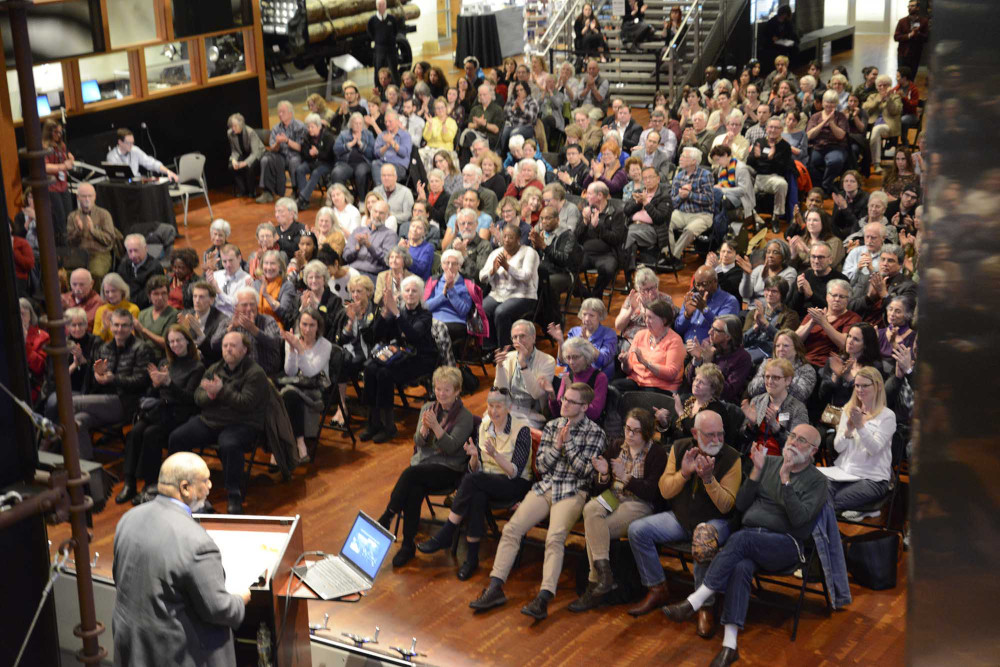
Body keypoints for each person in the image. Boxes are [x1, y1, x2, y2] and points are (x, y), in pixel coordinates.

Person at [662, 425, 827, 667]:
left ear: (813, 452)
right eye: (792, 436)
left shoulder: (818, 481)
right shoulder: (769, 463)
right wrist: (757, 471)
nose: (792, 442)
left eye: (801, 441)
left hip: (785, 545)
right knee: (740, 566)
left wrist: (786, 480)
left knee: (742, 539)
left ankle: (695, 601)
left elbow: (800, 521)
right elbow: (740, 504)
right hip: (751, 540)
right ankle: (730, 645)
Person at [469, 382, 607, 620]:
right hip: (547, 485)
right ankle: (495, 587)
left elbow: (585, 473)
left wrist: (569, 445)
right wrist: (556, 447)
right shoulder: (553, 426)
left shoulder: (596, 433)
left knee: (554, 538)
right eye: (564, 398)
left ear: (584, 406)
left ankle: (544, 597)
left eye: (571, 401)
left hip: (574, 491)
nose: (563, 403)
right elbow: (541, 466)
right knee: (512, 529)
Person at [112, 452, 248, 665]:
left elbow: (120, 578)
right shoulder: (197, 542)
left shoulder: (128, 519)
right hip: (175, 655)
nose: (211, 486)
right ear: (185, 488)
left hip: (133, 647)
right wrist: (241, 599)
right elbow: (219, 609)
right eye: (205, 480)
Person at [626, 410, 740, 633]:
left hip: (718, 522)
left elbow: (726, 505)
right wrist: (684, 474)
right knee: (638, 530)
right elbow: (665, 490)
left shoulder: (732, 457)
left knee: (702, 536)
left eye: (720, 435)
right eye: (710, 435)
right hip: (681, 518)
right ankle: (657, 588)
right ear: (695, 433)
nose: (716, 440)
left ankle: (704, 606)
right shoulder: (679, 448)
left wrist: (709, 480)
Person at [417, 386, 533, 579]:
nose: (493, 411)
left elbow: (515, 472)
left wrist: (495, 455)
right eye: (490, 405)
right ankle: (471, 559)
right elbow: (476, 468)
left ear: (509, 407)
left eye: (498, 406)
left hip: (515, 484)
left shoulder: (521, 429)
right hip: (485, 480)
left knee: (473, 481)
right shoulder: (485, 424)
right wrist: (473, 457)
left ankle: (448, 531)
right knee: (476, 493)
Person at [570, 407, 667, 612]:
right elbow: (600, 487)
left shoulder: (656, 453)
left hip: (639, 503)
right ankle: (605, 578)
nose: (629, 434)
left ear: (646, 432)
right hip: (614, 497)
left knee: (596, 528)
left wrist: (627, 478)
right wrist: (604, 475)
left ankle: (595, 582)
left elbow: (653, 493)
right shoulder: (616, 446)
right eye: (627, 428)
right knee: (591, 510)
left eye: (635, 431)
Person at [376, 366, 475, 566]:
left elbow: (451, 448)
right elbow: (418, 444)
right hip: (423, 467)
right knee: (414, 488)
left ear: (457, 391)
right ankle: (408, 546)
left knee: (411, 474)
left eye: (446, 390)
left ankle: (388, 516)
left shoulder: (465, 417)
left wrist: (436, 428)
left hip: (448, 468)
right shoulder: (428, 408)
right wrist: (422, 431)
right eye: (438, 389)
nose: (441, 393)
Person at [169, 331, 270, 514]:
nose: (228, 349)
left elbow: (245, 404)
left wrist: (222, 391)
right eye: (225, 346)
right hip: (212, 420)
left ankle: (234, 493)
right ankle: (181, 487)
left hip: (242, 423)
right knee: (177, 437)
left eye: (233, 345)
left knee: (229, 444)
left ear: (244, 349)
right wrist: (209, 394)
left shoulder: (255, 373)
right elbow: (198, 397)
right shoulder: (215, 368)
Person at [116, 325, 205, 505]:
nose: (175, 344)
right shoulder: (166, 362)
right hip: (161, 410)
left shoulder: (197, 367)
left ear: (188, 341)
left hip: (181, 413)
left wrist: (169, 382)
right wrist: (155, 386)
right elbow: (155, 392)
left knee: (151, 434)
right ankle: (129, 482)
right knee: (134, 433)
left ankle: (150, 486)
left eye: (178, 340)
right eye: (171, 341)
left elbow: (191, 398)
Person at [361, 275, 438, 442]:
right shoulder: (399, 312)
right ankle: (373, 422)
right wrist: (384, 312)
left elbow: (414, 335)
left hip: (421, 358)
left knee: (384, 373)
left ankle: (389, 426)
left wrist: (395, 312)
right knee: (369, 368)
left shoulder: (425, 315)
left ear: (421, 294)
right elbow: (376, 334)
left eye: (414, 291)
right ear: (402, 294)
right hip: (399, 355)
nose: (410, 294)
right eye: (407, 290)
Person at [73, 309, 155, 458]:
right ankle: (87, 466)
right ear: (110, 326)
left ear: (131, 328)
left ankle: (50, 443)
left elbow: (141, 381)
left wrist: (113, 378)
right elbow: (94, 381)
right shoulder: (104, 348)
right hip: (102, 402)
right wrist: (97, 376)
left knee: (70, 403)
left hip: (127, 403)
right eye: (116, 325)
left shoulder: (142, 348)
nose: (119, 329)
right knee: (77, 421)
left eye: (124, 325)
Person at [821, 367, 896, 515]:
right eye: (857, 385)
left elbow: (874, 449)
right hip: (843, 473)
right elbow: (838, 448)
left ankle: (860, 511)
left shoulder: (887, 416)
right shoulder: (848, 410)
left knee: (831, 503)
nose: (860, 390)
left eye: (865, 385)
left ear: (878, 386)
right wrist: (848, 430)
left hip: (872, 479)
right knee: (818, 495)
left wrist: (860, 426)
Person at [279, 308, 333, 463]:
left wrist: (300, 349)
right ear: (299, 324)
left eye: (312, 325)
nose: (307, 329)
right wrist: (291, 349)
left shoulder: (325, 345)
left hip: (315, 390)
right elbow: (290, 372)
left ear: (318, 327)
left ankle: (280, 449)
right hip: (295, 385)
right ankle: (299, 442)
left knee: (287, 394)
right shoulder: (293, 339)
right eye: (304, 324)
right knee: (288, 394)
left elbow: (310, 372)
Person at [479, 224, 539, 350]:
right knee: (483, 308)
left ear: (518, 239)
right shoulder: (496, 253)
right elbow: (482, 276)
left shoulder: (529, 253)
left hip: (523, 295)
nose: (506, 240)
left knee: (501, 312)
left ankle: (506, 350)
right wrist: (492, 270)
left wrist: (507, 267)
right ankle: (489, 348)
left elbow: (526, 276)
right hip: (498, 294)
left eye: (510, 237)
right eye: (504, 236)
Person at [613, 298, 685, 399]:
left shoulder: (675, 341)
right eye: (645, 317)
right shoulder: (640, 335)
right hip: (636, 382)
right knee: (612, 388)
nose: (646, 321)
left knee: (639, 400)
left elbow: (670, 374)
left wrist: (645, 362)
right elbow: (628, 370)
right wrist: (625, 362)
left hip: (660, 387)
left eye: (650, 318)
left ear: (664, 321)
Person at [739, 357, 809, 456]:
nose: (770, 381)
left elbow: (799, 446)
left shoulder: (798, 408)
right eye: (767, 377)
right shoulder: (757, 401)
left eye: (775, 377)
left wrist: (776, 428)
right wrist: (751, 425)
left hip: (780, 463)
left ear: (788, 380)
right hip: (753, 458)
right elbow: (742, 438)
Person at [493, 319, 556, 429]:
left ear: (533, 337)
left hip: (533, 415)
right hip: (509, 409)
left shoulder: (547, 360)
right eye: (515, 337)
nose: (518, 341)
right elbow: (501, 390)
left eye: (522, 336)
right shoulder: (509, 357)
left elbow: (536, 393)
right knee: (486, 428)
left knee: (518, 435)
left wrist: (523, 365)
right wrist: (500, 367)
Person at [214, 287, 283, 376]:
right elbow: (214, 344)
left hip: (266, 376)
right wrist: (231, 328)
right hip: (235, 375)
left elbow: (276, 343)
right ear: (236, 307)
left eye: (252, 304)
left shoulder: (268, 321)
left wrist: (253, 329)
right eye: (244, 305)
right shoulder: (228, 322)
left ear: (257, 305)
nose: (249, 308)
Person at [684, 314, 753, 403]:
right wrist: (697, 360)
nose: (709, 332)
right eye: (711, 328)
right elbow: (690, 381)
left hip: (720, 404)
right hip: (698, 396)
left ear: (728, 336)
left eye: (715, 330)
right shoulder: (708, 343)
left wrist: (708, 364)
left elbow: (728, 392)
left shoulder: (743, 358)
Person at [665, 147, 714, 268]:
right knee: (665, 222)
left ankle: (673, 257)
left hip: (702, 215)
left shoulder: (706, 175)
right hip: (681, 213)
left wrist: (690, 195)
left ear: (693, 161)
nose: (680, 158)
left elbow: (709, 200)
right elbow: (673, 202)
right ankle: (670, 255)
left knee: (690, 230)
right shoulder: (679, 176)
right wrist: (681, 196)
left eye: (684, 156)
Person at [576, 181, 626, 299]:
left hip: (607, 254)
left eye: (589, 193)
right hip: (585, 253)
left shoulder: (616, 213)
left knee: (608, 270)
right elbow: (575, 236)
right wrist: (584, 222)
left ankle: (595, 296)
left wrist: (598, 227)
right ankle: (585, 294)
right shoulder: (586, 210)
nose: (586, 196)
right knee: (568, 266)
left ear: (599, 196)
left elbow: (616, 239)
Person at [795, 278, 860, 367]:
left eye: (841, 296)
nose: (837, 299)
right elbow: (794, 340)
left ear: (848, 300)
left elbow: (845, 344)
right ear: (827, 297)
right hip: (802, 361)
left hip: (826, 366)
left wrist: (823, 323)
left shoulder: (853, 318)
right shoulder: (815, 314)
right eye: (834, 295)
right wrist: (811, 323)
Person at [848, 243, 917, 324]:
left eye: (890, 261)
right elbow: (850, 307)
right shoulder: (868, 279)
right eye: (882, 259)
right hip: (860, 327)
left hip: (887, 330)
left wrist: (884, 295)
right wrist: (869, 299)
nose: (885, 264)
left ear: (900, 265)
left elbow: (905, 314)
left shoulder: (909, 286)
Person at [548, 298, 617, 379]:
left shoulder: (609, 334)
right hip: (575, 376)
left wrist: (587, 343)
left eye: (591, 315)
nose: (587, 319)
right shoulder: (574, 331)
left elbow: (603, 361)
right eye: (584, 314)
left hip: (597, 379)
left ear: (600, 316)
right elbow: (563, 362)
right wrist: (560, 342)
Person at [746, 329, 817, 403]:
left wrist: (781, 374)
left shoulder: (807, 370)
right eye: (777, 346)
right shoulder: (768, 363)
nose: (780, 349)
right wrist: (766, 374)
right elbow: (752, 390)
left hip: (789, 411)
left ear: (796, 348)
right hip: (761, 407)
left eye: (785, 345)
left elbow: (800, 396)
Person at [674, 265, 740, 343]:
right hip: (685, 347)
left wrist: (705, 310)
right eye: (697, 285)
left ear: (715, 281)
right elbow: (678, 329)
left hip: (711, 350)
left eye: (704, 284)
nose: (701, 288)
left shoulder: (729, 301)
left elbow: (724, 330)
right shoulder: (691, 299)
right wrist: (687, 315)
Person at [257, 101, 306, 203]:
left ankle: (295, 191)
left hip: (296, 155)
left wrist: (287, 141)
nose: (280, 114)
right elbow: (273, 148)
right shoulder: (276, 128)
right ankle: (268, 192)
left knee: (294, 162)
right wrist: (278, 143)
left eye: (283, 112)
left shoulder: (300, 126)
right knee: (266, 159)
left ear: (290, 113)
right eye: (279, 112)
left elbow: (301, 148)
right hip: (281, 156)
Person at [742, 276, 800, 362]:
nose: (769, 294)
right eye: (767, 290)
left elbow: (786, 340)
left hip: (771, 354)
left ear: (782, 294)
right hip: (750, 349)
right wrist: (756, 326)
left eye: (774, 291)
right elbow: (743, 340)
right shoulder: (753, 313)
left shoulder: (790, 315)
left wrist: (765, 323)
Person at [343, 199, 398, 282]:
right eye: (375, 211)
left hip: (371, 275)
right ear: (371, 212)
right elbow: (345, 256)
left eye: (381, 213)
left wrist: (369, 246)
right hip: (351, 271)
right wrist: (357, 248)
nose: (377, 215)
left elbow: (387, 260)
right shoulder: (358, 230)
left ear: (387, 216)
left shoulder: (390, 235)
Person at [178, 281, 230, 366]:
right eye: (195, 296)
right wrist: (183, 332)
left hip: (208, 365)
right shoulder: (185, 315)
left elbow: (215, 353)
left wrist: (198, 332)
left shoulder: (221, 320)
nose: (197, 301)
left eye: (201, 297)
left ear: (211, 300)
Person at [293, 113, 336, 211]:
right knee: (300, 169)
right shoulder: (307, 137)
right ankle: (305, 201)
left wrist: (317, 153)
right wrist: (310, 153)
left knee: (316, 172)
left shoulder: (327, 137)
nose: (309, 129)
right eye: (308, 127)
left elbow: (329, 155)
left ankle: (302, 198)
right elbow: (304, 154)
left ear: (319, 127)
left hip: (327, 163)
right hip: (313, 162)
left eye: (312, 127)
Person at [41, 119, 73, 244]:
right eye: (56, 132)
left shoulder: (61, 145)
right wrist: (63, 167)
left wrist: (70, 159)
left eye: (61, 132)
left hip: (63, 186)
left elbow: (67, 156)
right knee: (60, 220)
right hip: (52, 188)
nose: (59, 135)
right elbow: (45, 167)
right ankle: (65, 248)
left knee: (69, 217)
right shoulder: (43, 148)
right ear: (49, 133)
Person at [105, 127, 179, 181]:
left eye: (132, 142)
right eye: (128, 143)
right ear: (120, 142)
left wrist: (168, 171)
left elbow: (151, 163)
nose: (131, 145)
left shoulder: (134, 150)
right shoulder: (112, 156)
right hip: (123, 188)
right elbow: (115, 178)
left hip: (138, 183)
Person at [331, 112, 376, 201]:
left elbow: (372, 153)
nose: (358, 126)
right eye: (356, 123)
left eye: (360, 123)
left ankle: (363, 200)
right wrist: (350, 144)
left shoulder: (369, 134)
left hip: (363, 163)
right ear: (351, 124)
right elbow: (336, 149)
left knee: (360, 173)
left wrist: (360, 144)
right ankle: (344, 199)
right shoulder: (343, 134)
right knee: (336, 173)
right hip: (345, 163)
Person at [864, 75, 903, 174]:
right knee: (875, 131)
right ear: (877, 87)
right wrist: (877, 101)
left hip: (889, 126)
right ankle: (870, 161)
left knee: (876, 130)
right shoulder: (872, 97)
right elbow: (865, 110)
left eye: (885, 85)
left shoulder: (895, 97)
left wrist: (888, 99)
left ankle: (876, 164)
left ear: (889, 86)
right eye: (880, 85)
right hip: (872, 126)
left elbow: (895, 111)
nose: (882, 88)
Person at [737, 239, 797, 303]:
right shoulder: (758, 269)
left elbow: (784, 297)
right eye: (768, 252)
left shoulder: (789, 272)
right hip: (753, 309)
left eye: (775, 252)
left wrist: (766, 278)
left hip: (775, 310)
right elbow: (745, 295)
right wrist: (747, 275)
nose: (770, 255)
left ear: (783, 256)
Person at [115, 234, 165, 311]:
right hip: (125, 306)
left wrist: (128, 304)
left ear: (145, 248)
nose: (133, 255)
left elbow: (148, 295)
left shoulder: (155, 268)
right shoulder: (124, 265)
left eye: (136, 250)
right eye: (130, 251)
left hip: (145, 309)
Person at [134, 274, 179, 356]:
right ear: (149, 296)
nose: (160, 297)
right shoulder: (143, 314)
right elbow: (138, 340)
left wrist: (143, 330)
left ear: (168, 294)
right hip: (142, 355)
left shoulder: (173, 314)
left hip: (162, 357)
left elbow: (166, 343)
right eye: (156, 294)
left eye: (164, 293)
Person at [253, 250, 296, 330]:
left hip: (277, 330)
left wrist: (266, 295)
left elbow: (285, 314)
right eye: (266, 263)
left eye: (272, 263)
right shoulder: (256, 284)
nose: (269, 267)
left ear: (280, 266)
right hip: (256, 327)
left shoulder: (287, 286)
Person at [227, 112, 266, 197]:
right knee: (231, 166)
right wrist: (233, 160)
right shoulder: (230, 133)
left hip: (257, 153)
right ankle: (243, 190)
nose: (233, 128)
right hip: (244, 153)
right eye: (231, 126)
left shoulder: (250, 132)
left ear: (241, 124)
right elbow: (234, 150)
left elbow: (255, 153)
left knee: (249, 166)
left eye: (235, 126)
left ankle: (252, 192)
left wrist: (244, 163)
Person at [93, 272, 140, 342]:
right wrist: (104, 328)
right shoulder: (100, 310)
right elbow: (95, 341)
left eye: (114, 291)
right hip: (105, 350)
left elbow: (132, 338)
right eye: (107, 292)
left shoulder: (133, 309)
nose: (110, 295)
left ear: (122, 290)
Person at [207, 244, 250, 318]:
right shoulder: (216, 275)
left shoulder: (246, 279)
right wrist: (208, 287)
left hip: (233, 318)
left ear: (239, 258)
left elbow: (237, 305)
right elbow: (209, 300)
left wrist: (218, 291)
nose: (228, 265)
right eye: (224, 261)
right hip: (214, 317)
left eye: (231, 260)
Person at [367, 0, 400, 83]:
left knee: (393, 69)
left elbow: (395, 31)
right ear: (376, 6)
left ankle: (396, 88)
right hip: (379, 50)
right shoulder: (372, 20)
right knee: (378, 70)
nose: (381, 7)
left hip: (391, 49)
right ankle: (379, 90)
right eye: (379, 5)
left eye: (383, 5)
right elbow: (370, 33)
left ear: (386, 6)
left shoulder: (391, 19)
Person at [894, 1, 930, 75]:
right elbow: (896, 37)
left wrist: (918, 33)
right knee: (901, 75)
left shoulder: (924, 21)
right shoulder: (902, 21)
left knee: (912, 75)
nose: (910, 8)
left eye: (912, 6)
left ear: (918, 8)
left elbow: (926, 38)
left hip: (916, 53)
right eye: (909, 6)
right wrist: (910, 35)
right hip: (903, 53)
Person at [878, 295, 916, 360]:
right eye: (890, 309)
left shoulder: (914, 337)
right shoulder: (879, 333)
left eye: (898, 312)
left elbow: (910, 362)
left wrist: (898, 345)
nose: (892, 314)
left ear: (907, 315)